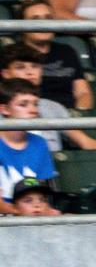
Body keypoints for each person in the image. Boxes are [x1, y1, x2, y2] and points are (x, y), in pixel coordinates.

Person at [0, 44, 96, 152]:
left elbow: (85, 142)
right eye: (20, 67)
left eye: (35, 66)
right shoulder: (3, 106)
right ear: (6, 73)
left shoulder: (53, 107)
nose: (30, 72)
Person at [16, 0, 94, 110]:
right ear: (22, 26)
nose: (43, 24)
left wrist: (78, 116)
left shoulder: (67, 51)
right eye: (35, 19)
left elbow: (83, 92)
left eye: (48, 18)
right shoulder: (13, 54)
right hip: (30, 116)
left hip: (69, 117)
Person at [0, 79, 58, 215]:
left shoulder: (39, 143)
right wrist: (19, 212)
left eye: (35, 104)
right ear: (4, 109)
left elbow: (38, 189)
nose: (33, 110)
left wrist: (47, 211)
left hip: (28, 216)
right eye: (23, 104)